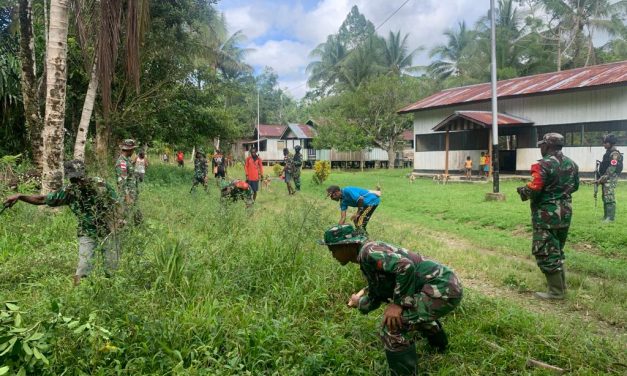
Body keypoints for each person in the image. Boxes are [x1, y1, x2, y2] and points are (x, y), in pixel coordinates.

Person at [319, 224, 463, 376]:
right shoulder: (367, 258)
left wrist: (398, 304)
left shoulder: (369, 252)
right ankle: (439, 348)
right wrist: (358, 302)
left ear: (346, 246)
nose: (333, 255)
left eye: (333, 249)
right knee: (413, 314)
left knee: (391, 326)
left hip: (442, 287)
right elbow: (377, 295)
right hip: (440, 286)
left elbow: (405, 266)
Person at [3, 160, 122, 286]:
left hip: (109, 229)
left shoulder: (100, 184)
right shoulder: (68, 191)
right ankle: (78, 295)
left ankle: (111, 291)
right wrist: (20, 196)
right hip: (87, 231)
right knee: (83, 267)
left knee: (111, 266)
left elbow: (117, 203)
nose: (79, 182)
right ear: (70, 179)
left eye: (81, 177)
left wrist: (120, 220)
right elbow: (43, 199)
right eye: (75, 179)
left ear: (85, 174)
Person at [516, 133, 579, 300]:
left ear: (548, 145)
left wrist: (523, 191)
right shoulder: (572, 164)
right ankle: (561, 288)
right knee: (557, 249)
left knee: (545, 251)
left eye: (542, 145)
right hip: (565, 213)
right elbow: (575, 187)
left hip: (546, 215)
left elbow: (535, 188)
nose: (540, 148)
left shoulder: (543, 165)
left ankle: (556, 292)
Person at [597, 134, 623, 222]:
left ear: (610, 143)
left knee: (609, 197)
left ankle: (610, 218)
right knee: (605, 196)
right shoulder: (608, 152)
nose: (603, 144)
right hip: (605, 178)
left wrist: (604, 177)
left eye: (605, 143)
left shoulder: (614, 153)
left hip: (610, 178)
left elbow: (612, 167)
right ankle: (606, 216)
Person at [115, 139, 142, 224]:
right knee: (125, 216)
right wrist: (127, 197)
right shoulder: (122, 162)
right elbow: (122, 181)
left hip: (132, 192)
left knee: (134, 213)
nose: (134, 151)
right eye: (133, 149)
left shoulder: (127, 160)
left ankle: (137, 228)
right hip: (127, 194)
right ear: (129, 149)